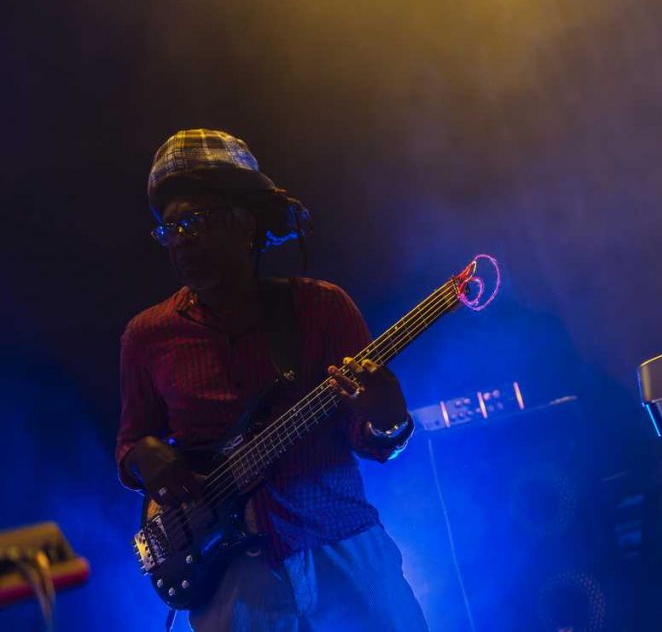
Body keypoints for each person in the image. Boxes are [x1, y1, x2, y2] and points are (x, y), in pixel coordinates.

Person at [116, 129, 429, 631]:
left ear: (244, 221)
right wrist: (146, 457)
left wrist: (388, 422)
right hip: (232, 579)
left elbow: (367, 438)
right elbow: (131, 444)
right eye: (169, 229)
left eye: (194, 221)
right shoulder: (147, 335)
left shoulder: (322, 307)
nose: (180, 240)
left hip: (342, 546)